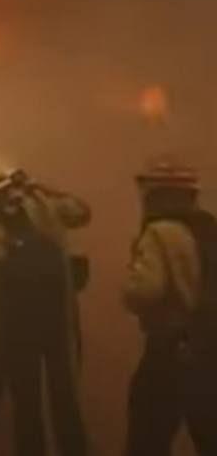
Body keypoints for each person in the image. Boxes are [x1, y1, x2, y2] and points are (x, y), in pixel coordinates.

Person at [0, 168, 91, 456]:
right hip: (56, 320)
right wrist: (43, 187)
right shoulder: (41, 209)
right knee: (65, 401)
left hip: (17, 328)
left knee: (27, 406)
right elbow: (82, 212)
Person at [122, 159, 217, 456]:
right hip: (210, 348)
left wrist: (129, 284)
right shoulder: (209, 227)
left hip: (171, 348)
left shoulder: (159, 232)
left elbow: (145, 290)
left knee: (147, 434)